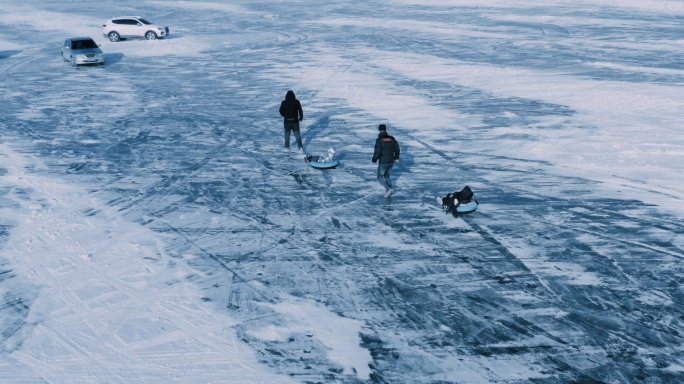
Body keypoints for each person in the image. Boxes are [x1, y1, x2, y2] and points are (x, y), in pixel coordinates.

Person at [372, 124, 400, 198]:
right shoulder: (392, 138)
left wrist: (374, 159)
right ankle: (390, 191)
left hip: (383, 161)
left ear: (379, 131)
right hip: (391, 161)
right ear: (386, 130)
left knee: (380, 177)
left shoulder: (379, 140)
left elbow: (377, 151)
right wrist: (396, 157)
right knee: (387, 176)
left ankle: (388, 189)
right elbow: (397, 148)